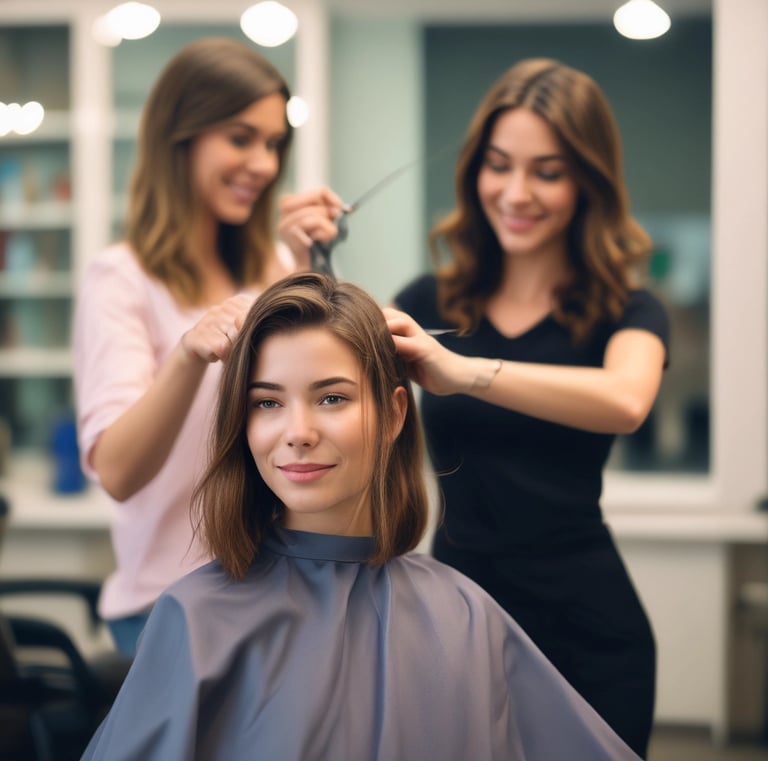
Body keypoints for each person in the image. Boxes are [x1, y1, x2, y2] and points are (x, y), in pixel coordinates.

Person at [79, 272, 641, 761]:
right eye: (267, 402)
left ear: (395, 412)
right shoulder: (194, 618)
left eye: (331, 398)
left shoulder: (467, 616)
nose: (298, 432)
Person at [384, 59, 669, 759]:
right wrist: (307, 259)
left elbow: (626, 400)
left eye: (547, 170)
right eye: (499, 164)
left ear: (587, 182)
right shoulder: (429, 301)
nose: (516, 192)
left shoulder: (628, 310)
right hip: (459, 614)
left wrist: (463, 371)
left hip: (591, 629)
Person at [73, 37, 343, 656]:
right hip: (170, 609)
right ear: (181, 137)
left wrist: (310, 273)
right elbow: (117, 471)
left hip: (277, 590)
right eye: (241, 138)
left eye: (275, 144)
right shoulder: (121, 278)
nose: (265, 164)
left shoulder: (277, 267)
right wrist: (189, 355)